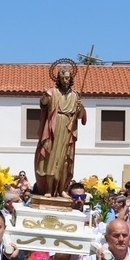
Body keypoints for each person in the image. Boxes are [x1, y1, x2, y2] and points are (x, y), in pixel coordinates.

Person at [35, 67, 87, 196]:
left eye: (67, 78)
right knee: (51, 158)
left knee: (65, 161)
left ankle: (62, 189)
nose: (65, 80)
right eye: (63, 78)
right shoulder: (52, 92)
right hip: (54, 126)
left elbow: (80, 116)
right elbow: (43, 104)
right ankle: (49, 189)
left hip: (68, 128)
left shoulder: (75, 95)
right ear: (58, 79)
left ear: (71, 79)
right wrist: (44, 97)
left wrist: (81, 107)